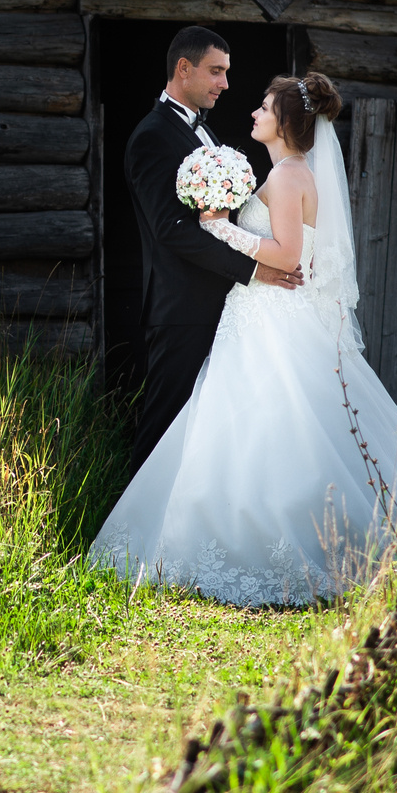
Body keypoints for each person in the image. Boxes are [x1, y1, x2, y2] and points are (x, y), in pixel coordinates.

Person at [94, 72, 397, 606]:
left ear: (285, 121)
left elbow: (287, 256)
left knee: (270, 422)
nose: (253, 113)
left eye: (264, 107)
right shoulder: (289, 172)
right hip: (259, 310)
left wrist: (219, 225)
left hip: (272, 313)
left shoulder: (288, 177)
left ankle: (269, 539)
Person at [121, 26, 300, 470]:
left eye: (226, 72)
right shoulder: (152, 136)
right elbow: (172, 230)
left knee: (208, 433)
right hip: (183, 308)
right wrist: (255, 269)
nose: (225, 83)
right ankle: (135, 516)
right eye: (216, 71)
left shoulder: (204, 132)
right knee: (164, 428)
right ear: (184, 68)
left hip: (224, 307)